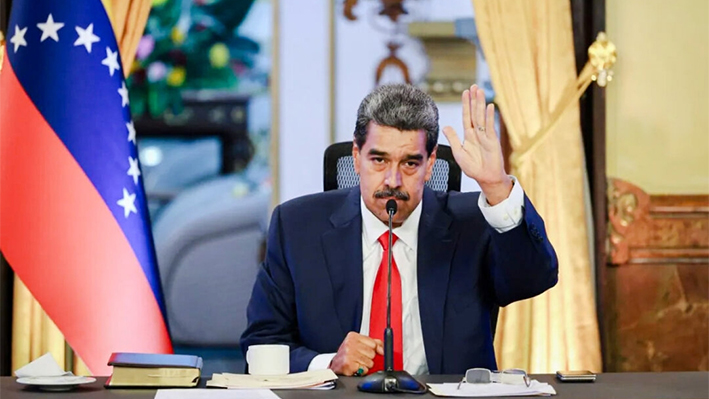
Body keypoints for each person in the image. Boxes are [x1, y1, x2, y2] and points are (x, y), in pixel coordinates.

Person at [240, 84, 558, 376]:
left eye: (409, 163)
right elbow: (260, 348)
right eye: (379, 160)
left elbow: (532, 280)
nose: (393, 181)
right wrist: (328, 363)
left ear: (430, 163)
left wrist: (497, 187)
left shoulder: (473, 222)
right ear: (356, 157)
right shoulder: (297, 227)